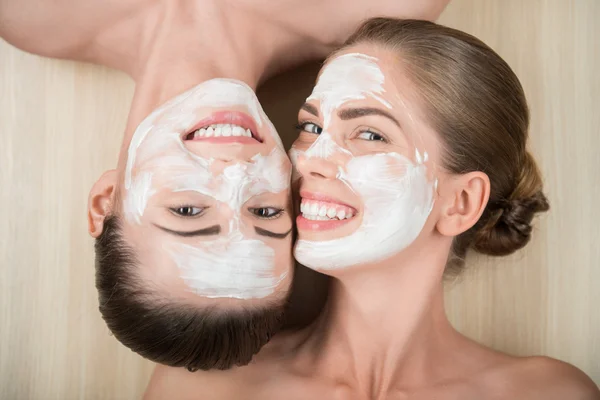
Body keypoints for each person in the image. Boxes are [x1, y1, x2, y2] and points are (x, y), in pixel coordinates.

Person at [144, 18, 600, 399]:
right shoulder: (203, 390)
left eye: (370, 134)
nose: (309, 158)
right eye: (310, 126)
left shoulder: (549, 393)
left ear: (460, 203)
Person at [0, 0, 450, 371]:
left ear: (105, 200)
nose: (236, 171)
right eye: (265, 212)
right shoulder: (387, 6)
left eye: (189, 211)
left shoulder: (29, 15)